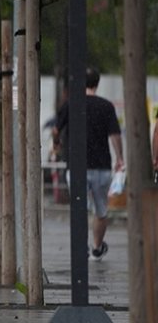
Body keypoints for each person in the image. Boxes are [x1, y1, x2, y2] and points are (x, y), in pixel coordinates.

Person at [54, 67, 123, 261]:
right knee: (101, 210)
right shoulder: (106, 106)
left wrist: (56, 145)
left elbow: (56, 130)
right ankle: (97, 247)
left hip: (77, 167)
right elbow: (115, 135)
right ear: (97, 83)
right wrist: (120, 158)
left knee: (79, 208)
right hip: (101, 166)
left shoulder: (71, 104)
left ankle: (81, 248)